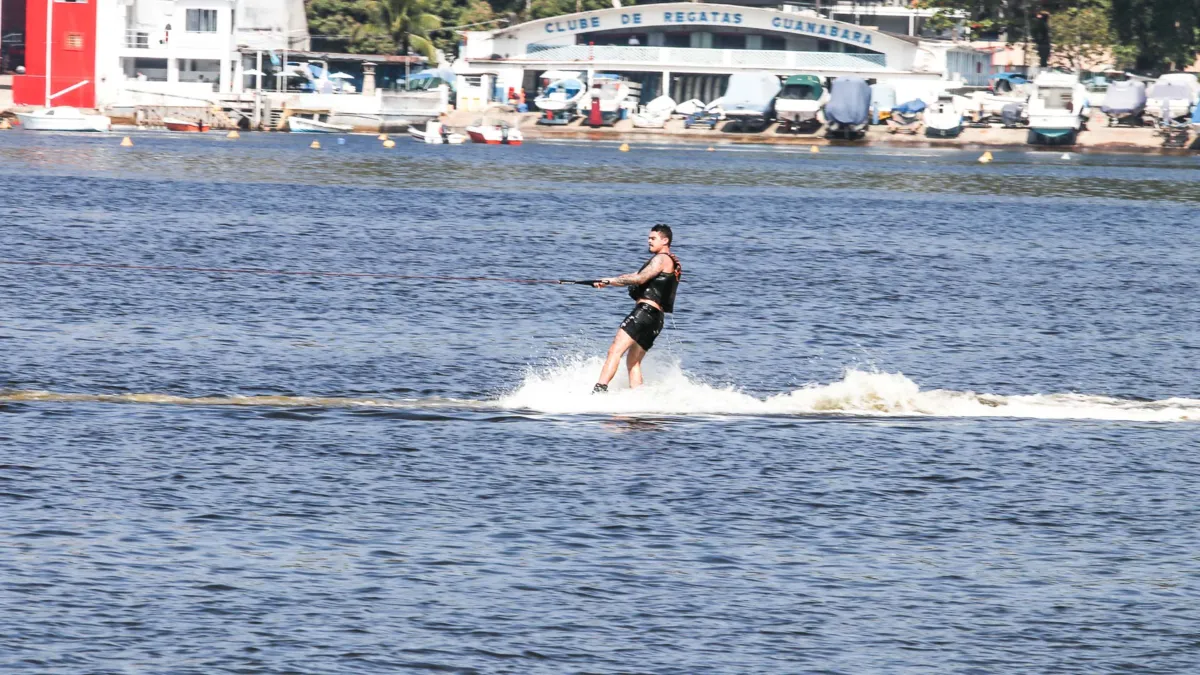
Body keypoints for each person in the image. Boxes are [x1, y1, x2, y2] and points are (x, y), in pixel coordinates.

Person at [591, 224, 682, 393]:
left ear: (665, 240)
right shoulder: (670, 262)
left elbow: (640, 279)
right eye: (648, 238)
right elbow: (632, 277)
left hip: (644, 313)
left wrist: (610, 281)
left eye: (653, 238)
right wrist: (607, 281)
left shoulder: (661, 259)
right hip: (656, 319)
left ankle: (598, 392)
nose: (649, 241)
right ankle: (639, 397)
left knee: (614, 351)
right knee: (633, 362)